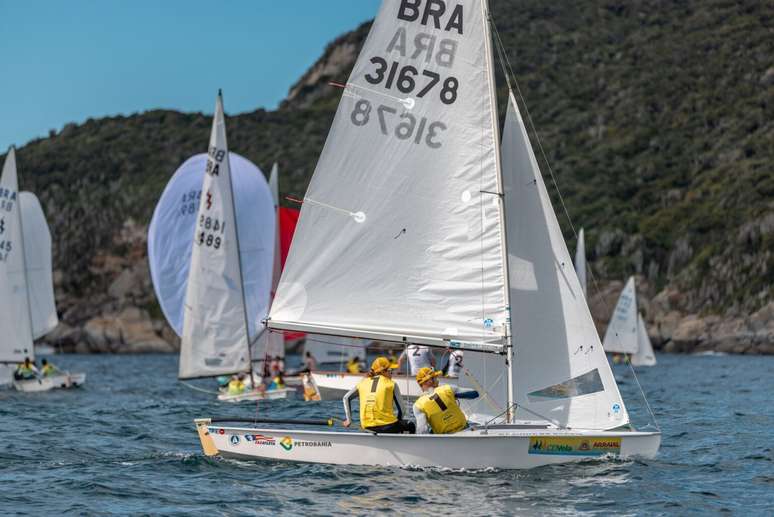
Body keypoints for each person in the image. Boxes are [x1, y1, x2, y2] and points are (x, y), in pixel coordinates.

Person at [342, 357, 415, 434]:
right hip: (388, 427)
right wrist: (398, 422)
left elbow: (346, 398)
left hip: (366, 427)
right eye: (390, 371)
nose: (391, 373)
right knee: (411, 425)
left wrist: (349, 420)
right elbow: (402, 410)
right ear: (383, 371)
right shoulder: (391, 384)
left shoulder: (362, 382)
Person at [412, 367, 479, 434]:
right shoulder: (447, 389)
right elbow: (474, 393)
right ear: (430, 381)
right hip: (464, 432)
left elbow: (422, 430)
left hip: (444, 439)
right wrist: (454, 395)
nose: (437, 380)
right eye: (435, 377)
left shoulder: (418, 406)